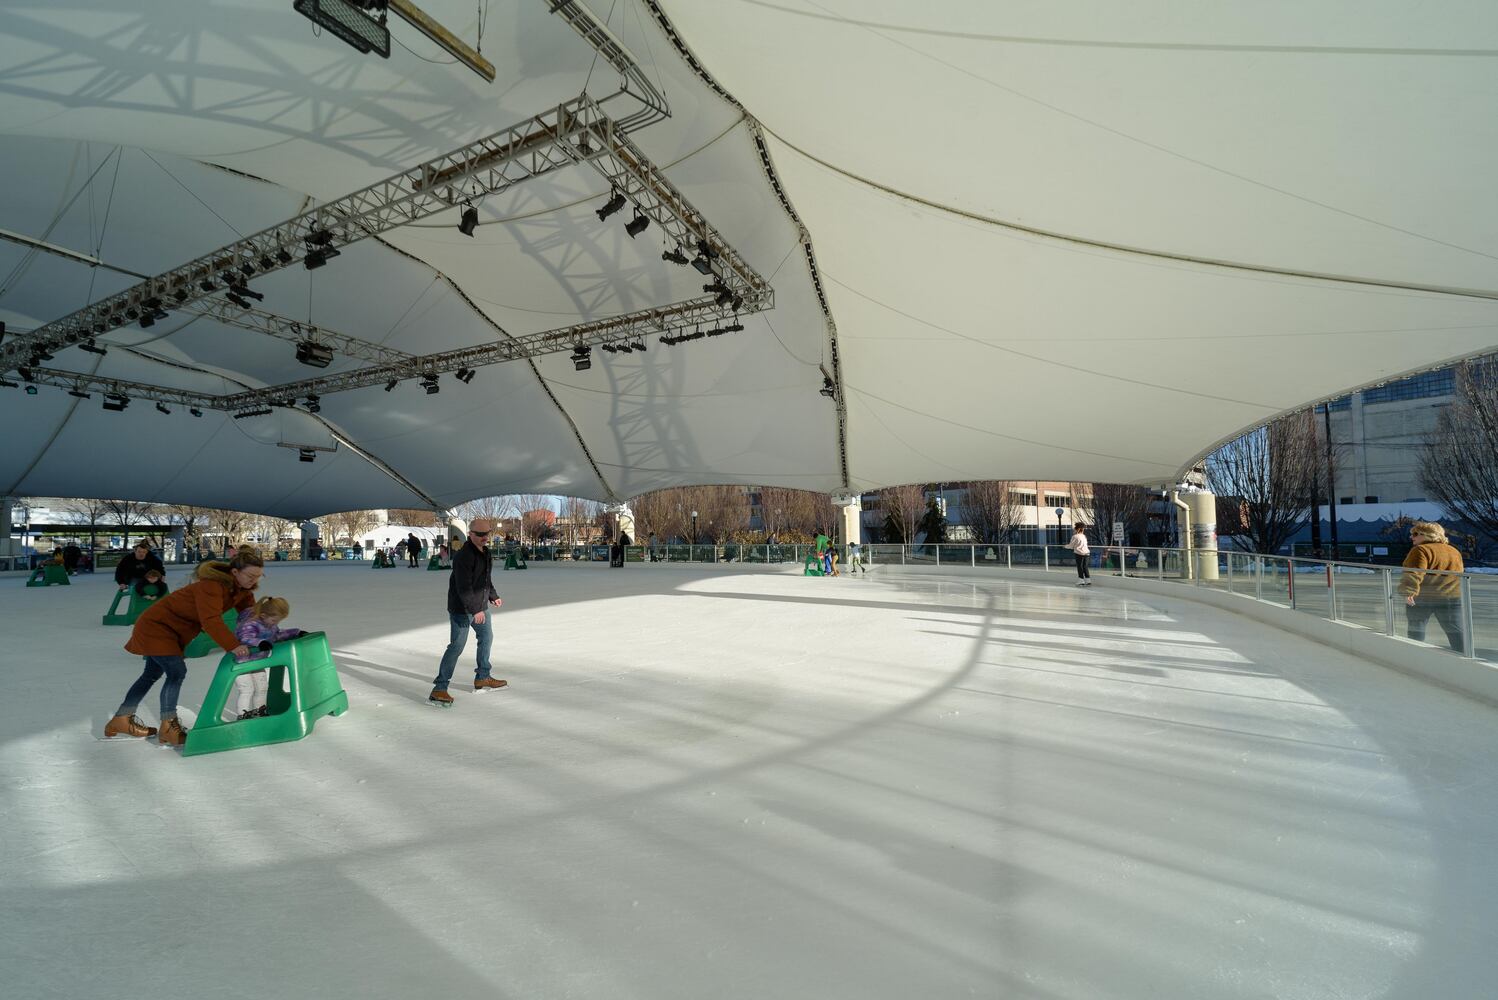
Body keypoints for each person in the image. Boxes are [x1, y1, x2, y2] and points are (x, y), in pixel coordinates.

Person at [102, 550, 264, 746]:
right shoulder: (211, 586)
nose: (254, 580)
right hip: (158, 627)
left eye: (258, 576)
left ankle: (122, 719)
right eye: (250, 575)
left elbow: (249, 616)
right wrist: (233, 645)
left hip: (173, 631)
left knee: (151, 674)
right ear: (236, 572)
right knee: (176, 672)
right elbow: (211, 620)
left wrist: (267, 632)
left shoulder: (242, 591)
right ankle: (169, 726)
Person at [431, 519, 507, 706]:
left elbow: (485, 580)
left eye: (486, 534)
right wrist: (476, 609)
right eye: (480, 535)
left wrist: (493, 596)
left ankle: (483, 676)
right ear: (470, 534)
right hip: (462, 610)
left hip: (479, 606)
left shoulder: (485, 553)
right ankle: (439, 688)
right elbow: (463, 587)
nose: (484, 538)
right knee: (456, 646)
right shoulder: (463, 556)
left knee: (487, 637)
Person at [227, 596, 305, 721]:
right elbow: (244, 638)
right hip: (241, 663)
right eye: (274, 620)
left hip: (257, 663)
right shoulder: (249, 624)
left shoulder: (271, 626)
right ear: (263, 615)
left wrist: (295, 632)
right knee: (247, 689)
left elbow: (276, 636)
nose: (276, 624)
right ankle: (243, 715)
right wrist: (260, 642)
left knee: (262, 687)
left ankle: (260, 711)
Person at [1399, 521, 1464, 651]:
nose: (1412, 537)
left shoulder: (1421, 550)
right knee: (1455, 630)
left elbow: (1414, 572)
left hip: (1423, 598)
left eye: (1416, 534)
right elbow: (1459, 574)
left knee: (1416, 629)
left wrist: (1408, 592)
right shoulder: (1454, 551)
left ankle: (1415, 657)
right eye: (1412, 534)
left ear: (1428, 535)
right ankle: (1465, 657)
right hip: (1451, 598)